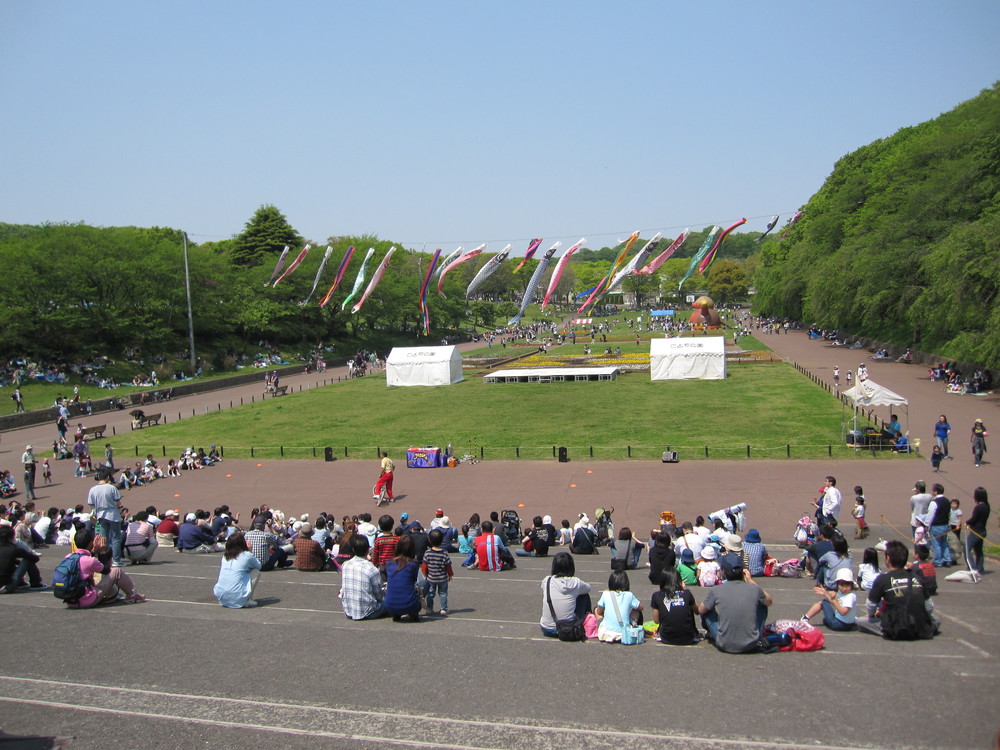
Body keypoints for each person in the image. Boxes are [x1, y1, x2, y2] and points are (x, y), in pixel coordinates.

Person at [857, 540, 936, 639]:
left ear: (888, 558)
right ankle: (922, 628)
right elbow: (929, 606)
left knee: (860, 621)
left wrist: (871, 616)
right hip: (919, 626)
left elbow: (871, 605)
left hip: (896, 626)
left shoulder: (883, 579)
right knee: (935, 620)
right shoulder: (917, 577)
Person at [697, 565, 773, 653]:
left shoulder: (716, 590)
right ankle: (755, 635)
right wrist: (750, 580)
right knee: (763, 605)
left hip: (724, 644)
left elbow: (701, 610)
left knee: (707, 610)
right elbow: (769, 601)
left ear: (724, 573)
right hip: (751, 644)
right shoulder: (754, 589)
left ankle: (713, 633)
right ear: (743, 573)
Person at [64, 528, 146, 607]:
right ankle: (132, 594)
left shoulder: (69, 557)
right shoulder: (90, 561)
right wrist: (102, 551)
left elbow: (83, 559)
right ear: (91, 543)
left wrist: (94, 551)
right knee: (116, 571)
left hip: (70, 600)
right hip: (86, 600)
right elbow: (107, 570)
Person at [539, 552, 592, 638]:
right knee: (584, 596)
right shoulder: (575, 582)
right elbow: (588, 588)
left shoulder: (547, 580)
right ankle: (586, 623)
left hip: (547, 628)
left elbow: (543, 588)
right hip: (569, 629)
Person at [340, 535, 386, 620]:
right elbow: (378, 595)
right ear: (368, 549)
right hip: (367, 612)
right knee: (389, 602)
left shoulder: (345, 565)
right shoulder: (372, 569)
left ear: (353, 549)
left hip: (349, 610)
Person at [86, 467, 125, 567]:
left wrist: (96, 509)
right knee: (116, 538)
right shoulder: (111, 487)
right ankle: (116, 560)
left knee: (103, 538)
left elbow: (91, 504)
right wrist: (120, 508)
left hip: (101, 514)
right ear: (108, 477)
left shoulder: (93, 489)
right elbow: (118, 501)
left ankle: (103, 559)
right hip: (112, 514)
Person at [651, 569, 700, 645]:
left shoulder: (657, 595)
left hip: (667, 637)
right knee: (689, 605)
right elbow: (697, 611)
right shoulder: (687, 593)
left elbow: (656, 620)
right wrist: (685, 591)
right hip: (688, 637)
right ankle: (694, 633)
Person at [213, 533, 262, 608]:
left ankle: (232, 598)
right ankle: (247, 599)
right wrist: (250, 551)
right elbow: (259, 566)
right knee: (256, 571)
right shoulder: (247, 555)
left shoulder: (225, 556)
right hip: (237, 597)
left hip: (221, 596)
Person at [594, 570, 642, 643]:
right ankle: (634, 626)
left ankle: (602, 628)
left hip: (605, 634)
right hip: (624, 634)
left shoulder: (606, 594)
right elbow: (641, 607)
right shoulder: (629, 595)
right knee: (636, 610)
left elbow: (599, 611)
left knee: (596, 610)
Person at [0, 525, 48, 593]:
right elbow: (35, 558)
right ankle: (36, 583)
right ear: (10, 537)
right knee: (28, 559)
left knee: (9, 563)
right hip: (8, 585)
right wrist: (18, 562)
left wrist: (14, 561)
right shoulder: (14, 549)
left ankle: (21, 583)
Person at [384, 534, 421, 622]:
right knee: (424, 584)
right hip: (410, 604)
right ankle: (413, 613)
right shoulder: (413, 564)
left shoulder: (389, 563)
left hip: (389, 604)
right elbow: (414, 580)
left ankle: (396, 613)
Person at [421, 528, 453, 616]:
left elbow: (424, 566)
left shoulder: (427, 553)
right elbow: (448, 566)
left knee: (430, 594)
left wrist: (425, 574)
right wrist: (450, 575)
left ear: (430, 541)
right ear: (442, 540)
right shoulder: (445, 553)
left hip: (431, 578)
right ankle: (443, 609)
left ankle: (430, 609)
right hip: (442, 578)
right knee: (443, 594)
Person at [922, 483, 953, 568]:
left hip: (936, 526)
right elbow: (949, 513)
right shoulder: (947, 501)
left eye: (933, 490)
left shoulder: (934, 502)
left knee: (936, 545)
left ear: (936, 491)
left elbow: (930, 514)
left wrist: (926, 525)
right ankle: (947, 560)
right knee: (944, 543)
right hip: (945, 525)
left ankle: (937, 561)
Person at [965, 487, 990, 576]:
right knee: (978, 550)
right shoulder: (987, 506)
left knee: (966, 548)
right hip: (982, 531)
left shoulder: (978, 507)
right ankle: (980, 568)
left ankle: (972, 567)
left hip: (976, 531)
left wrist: (967, 522)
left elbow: (974, 519)